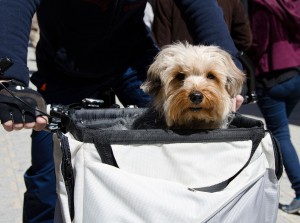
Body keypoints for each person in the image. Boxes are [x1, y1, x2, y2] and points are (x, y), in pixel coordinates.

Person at [0, 0, 243, 222]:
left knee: (173, 147)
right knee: (48, 176)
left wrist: (229, 70)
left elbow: (199, 4)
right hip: (64, 69)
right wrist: (10, 80)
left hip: (131, 60)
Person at [247, 0, 300, 214]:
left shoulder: (263, 5)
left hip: (272, 76)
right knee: (281, 133)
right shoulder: (294, 4)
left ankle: (299, 191)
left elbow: (258, 42)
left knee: (280, 135)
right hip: (296, 71)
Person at [152, 0, 252, 52]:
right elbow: (245, 39)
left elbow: (161, 42)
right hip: (217, 70)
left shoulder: (165, 1)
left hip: (181, 73)